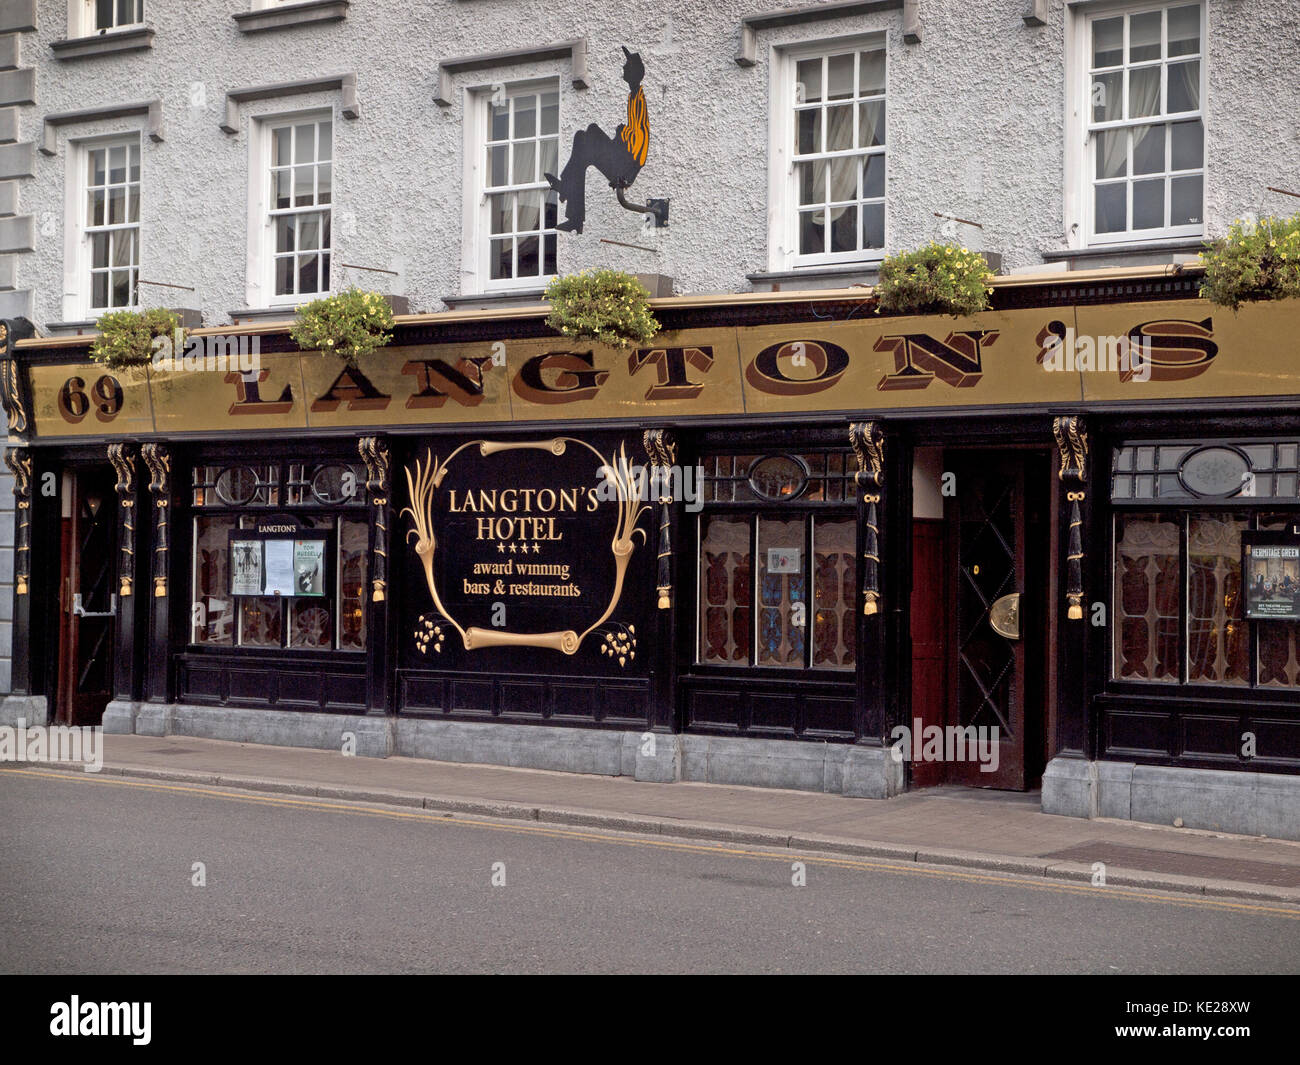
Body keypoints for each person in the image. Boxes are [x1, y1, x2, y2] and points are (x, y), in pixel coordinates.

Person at [545, 46, 649, 235]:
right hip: (624, 160)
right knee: (582, 137)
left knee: (590, 133)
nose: (623, 69)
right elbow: (635, 135)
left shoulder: (638, 99)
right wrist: (623, 133)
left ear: (634, 72)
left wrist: (628, 171)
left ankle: (567, 190)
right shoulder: (633, 96)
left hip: (626, 167)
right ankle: (575, 216)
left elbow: (641, 142)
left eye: (626, 66)